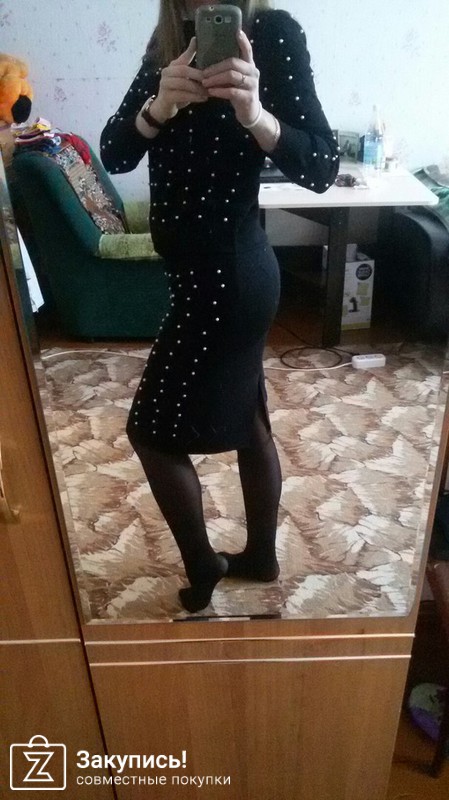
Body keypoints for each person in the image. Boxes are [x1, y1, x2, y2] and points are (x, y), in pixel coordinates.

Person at [100, 0, 339, 613]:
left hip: (228, 280)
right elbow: (116, 153)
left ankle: (204, 564)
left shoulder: (271, 33)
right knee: (251, 421)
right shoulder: (169, 44)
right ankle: (260, 558)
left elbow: (321, 166)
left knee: (149, 433)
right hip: (205, 278)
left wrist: (256, 114)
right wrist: (157, 109)